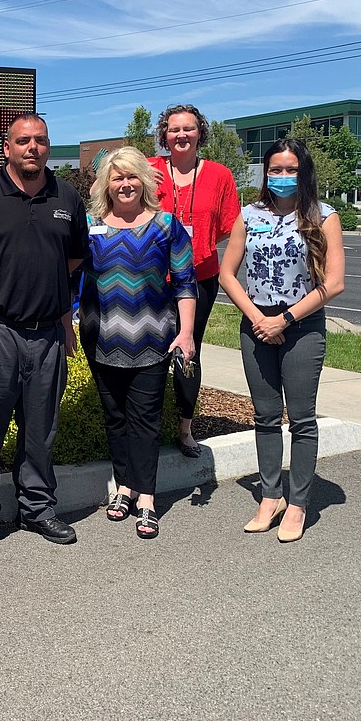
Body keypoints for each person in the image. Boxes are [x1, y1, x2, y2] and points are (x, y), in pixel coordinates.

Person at [0, 113, 89, 556]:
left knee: (40, 430)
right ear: (6, 148)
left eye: (41, 140)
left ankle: (37, 509)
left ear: (49, 146)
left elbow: (71, 261)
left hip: (46, 334)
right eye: (23, 140)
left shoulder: (66, 197)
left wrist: (63, 318)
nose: (33, 147)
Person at [218, 138, 345, 543]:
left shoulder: (323, 217)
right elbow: (226, 274)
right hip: (256, 326)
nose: (283, 177)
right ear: (265, 173)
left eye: (291, 170)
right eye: (276, 169)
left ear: (303, 172)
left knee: (302, 420)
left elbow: (334, 283)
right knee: (265, 416)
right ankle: (270, 496)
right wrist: (258, 318)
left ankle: (299, 503)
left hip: (301, 328)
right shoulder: (249, 215)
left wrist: (285, 319)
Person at [78, 147, 197, 539]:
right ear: (105, 184)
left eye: (131, 177)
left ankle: (146, 498)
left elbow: (185, 283)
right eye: (117, 177)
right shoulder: (92, 225)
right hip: (101, 338)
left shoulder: (166, 226)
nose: (125, 184)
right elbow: (71, 276)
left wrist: (186, 333)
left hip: (152, 339)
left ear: (144, 181)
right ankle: (123, 487)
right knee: (115, 418)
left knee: (144, 420)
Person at [148, 104, 241, 458]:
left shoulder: (219, 175)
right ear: (164, 135)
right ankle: (149, 426)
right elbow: (111, 191)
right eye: (174, 130)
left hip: (199, 276)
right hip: (153, 279)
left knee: (189, 350)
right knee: (150, 353)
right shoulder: (150, 168)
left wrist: (195, 245)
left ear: (200, 132)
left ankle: (185, 427)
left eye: (188, 129)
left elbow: (229, 226)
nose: (181, 135)